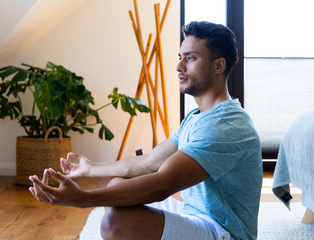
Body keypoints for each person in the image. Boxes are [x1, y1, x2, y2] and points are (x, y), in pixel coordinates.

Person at [29, 21, 263, 240]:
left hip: (223, 231)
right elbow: (150, 162)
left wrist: (83, 199)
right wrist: (91, 170)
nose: (179, 66)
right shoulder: (197, 117)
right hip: (196, 214)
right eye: (180, 57)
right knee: (117, 184)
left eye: (190, 58)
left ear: (218, 65)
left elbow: (163, 184)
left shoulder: (226, 126)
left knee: (116, 222)